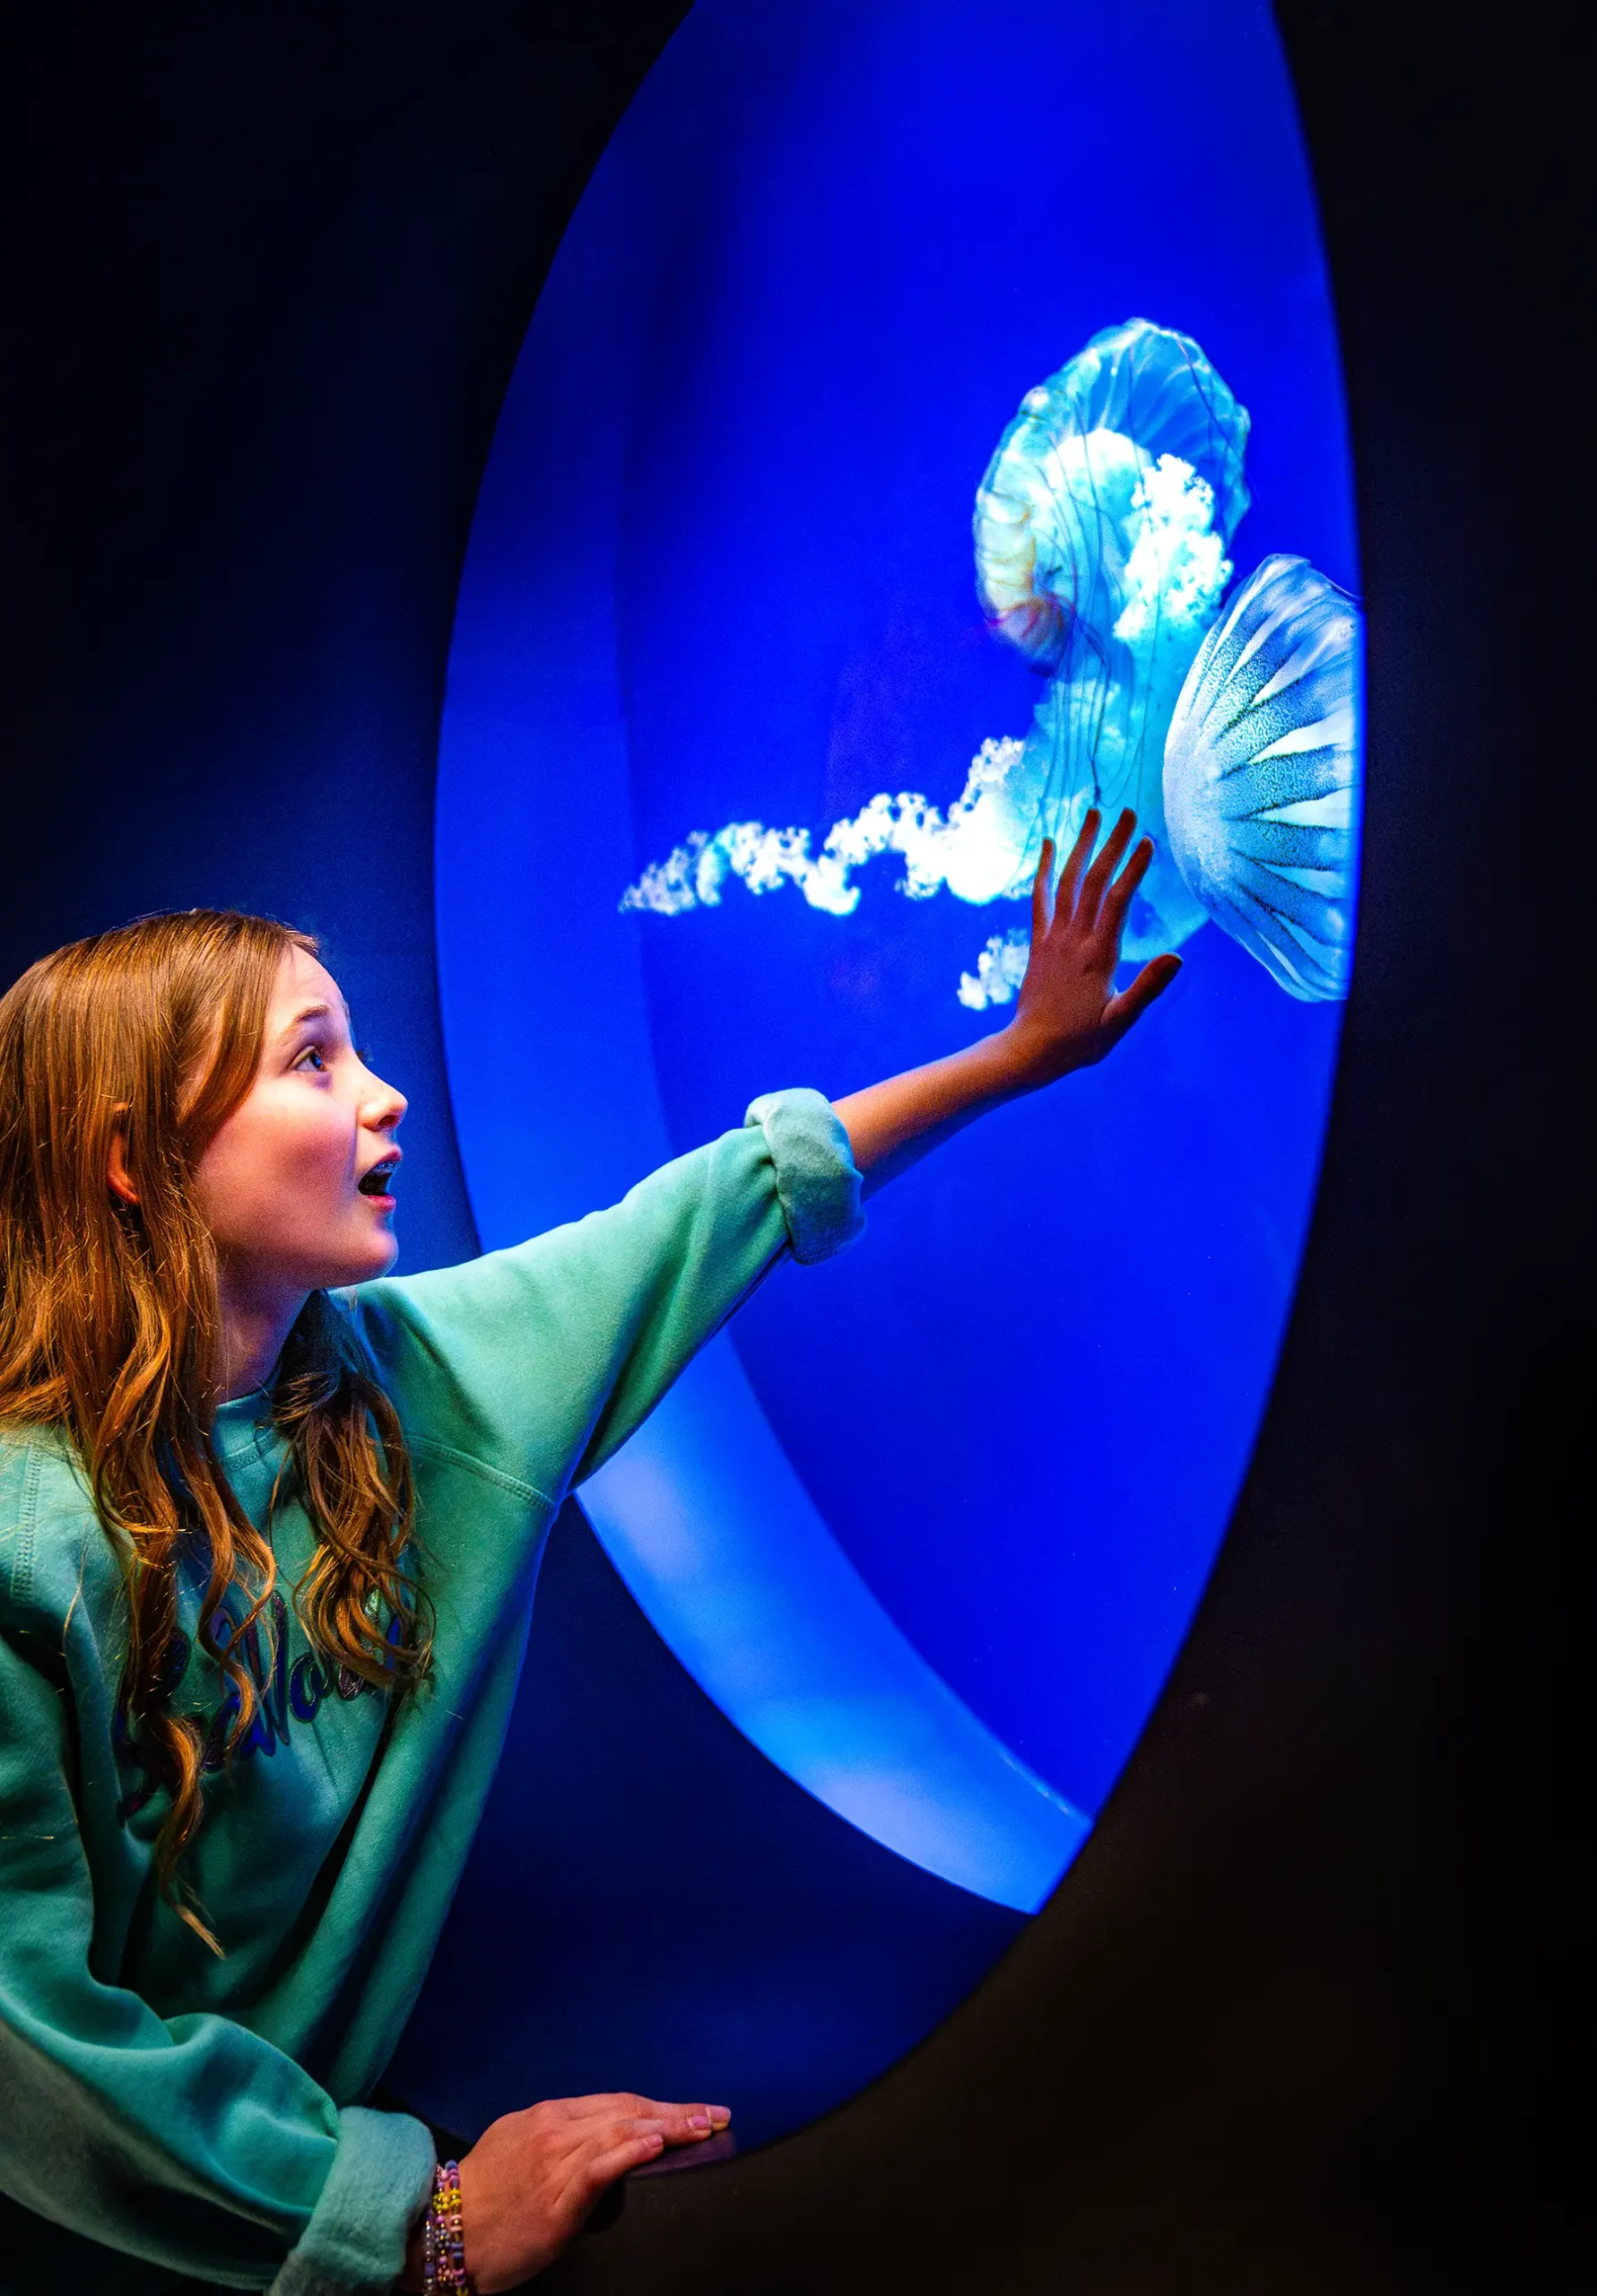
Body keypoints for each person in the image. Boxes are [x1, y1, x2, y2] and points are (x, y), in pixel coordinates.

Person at [0, 809, 1178, 2294]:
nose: (385, 1095)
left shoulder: (401, 1383)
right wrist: (418, 2224)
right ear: (134, 1158)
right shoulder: (22, 1551)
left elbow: (704, 1212)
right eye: (314, 1061)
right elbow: (26, 2048)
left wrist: (1017, 1057)